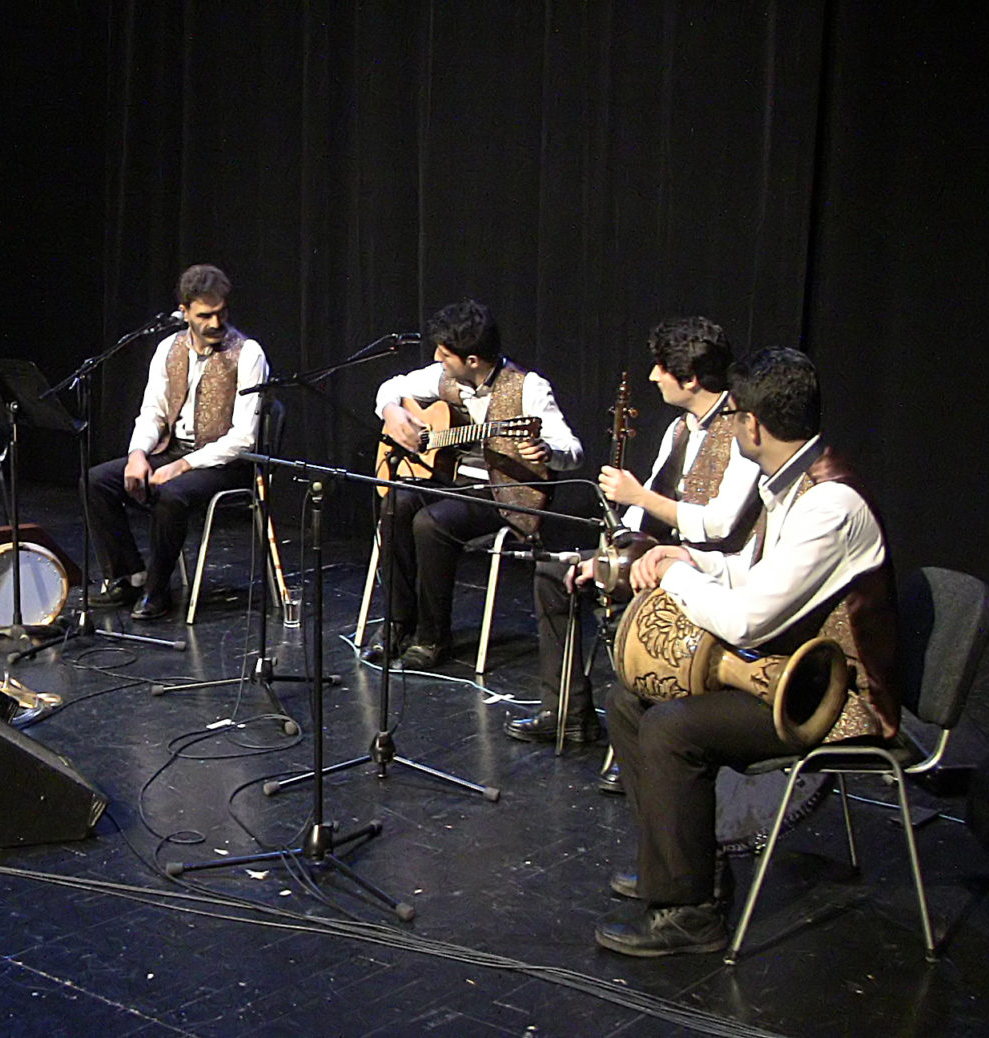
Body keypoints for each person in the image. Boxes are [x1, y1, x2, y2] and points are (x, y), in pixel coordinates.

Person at [595, 346, 898, 958]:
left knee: (673, 728)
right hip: (790, 670)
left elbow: (749, 619)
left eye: (734, 416)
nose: (730, 426)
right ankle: (682, 867)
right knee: (629, 701)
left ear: (752, 425)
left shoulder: (830, 504)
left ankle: (690, 913)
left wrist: (675, 577)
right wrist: (689, 557)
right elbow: (755, 571)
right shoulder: (788, 482)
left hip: (835, 696)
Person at [511, 317, 761, 749]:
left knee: (632, 604)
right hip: (659, 553)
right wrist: (609, 554)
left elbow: (720, 523)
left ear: (691, 379)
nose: (653, 377)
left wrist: (639, 496)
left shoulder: (741, 431)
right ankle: (568, 713)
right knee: (556, 574)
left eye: (661, 368)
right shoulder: (679, 428)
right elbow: (643, 513)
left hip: (711, 568)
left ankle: (646, 738)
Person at [365, 299, 583, 669]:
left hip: (505, 494)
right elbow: (393, 386)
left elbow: (573, 451)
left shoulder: (529, 387)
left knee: (431, 523)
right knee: (396, 503)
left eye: (445, 354)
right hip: (454, 481)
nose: (437, 358)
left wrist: (548, 452)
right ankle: (398, 623)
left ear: (472, 360)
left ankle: (432, 638)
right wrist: (393, 411)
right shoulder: (445, 376)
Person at [86, 264, 269, 621]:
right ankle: (130, 576)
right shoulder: (168, 348)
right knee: (96, 481)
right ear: (184, 311)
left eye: (221, 313)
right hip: (173, 450)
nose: (215, 323)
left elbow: (244, 437)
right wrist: (137, 454)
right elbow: (153, 412)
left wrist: (184, 465)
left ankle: (157, 591)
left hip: (227, 463)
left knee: (171, 495)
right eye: (204, 315)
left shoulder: (248, 353)